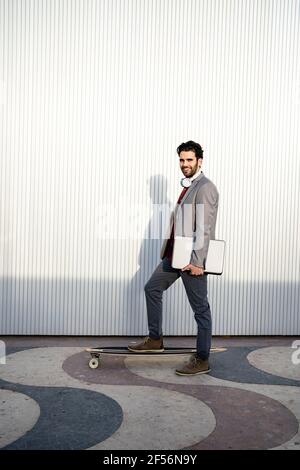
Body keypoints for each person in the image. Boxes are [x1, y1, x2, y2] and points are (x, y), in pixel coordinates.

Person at [128, 141, 219, 375]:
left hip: (191, 261)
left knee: (200, 310)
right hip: (175, 257)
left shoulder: (205, 187)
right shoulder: (189, 186)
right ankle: (155, 340)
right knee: (151, 288)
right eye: (181, 160)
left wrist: (198, 263)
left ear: (200, 161)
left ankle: (202, 359)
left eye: (189, 160)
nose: (185, 164)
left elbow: (205, 228)